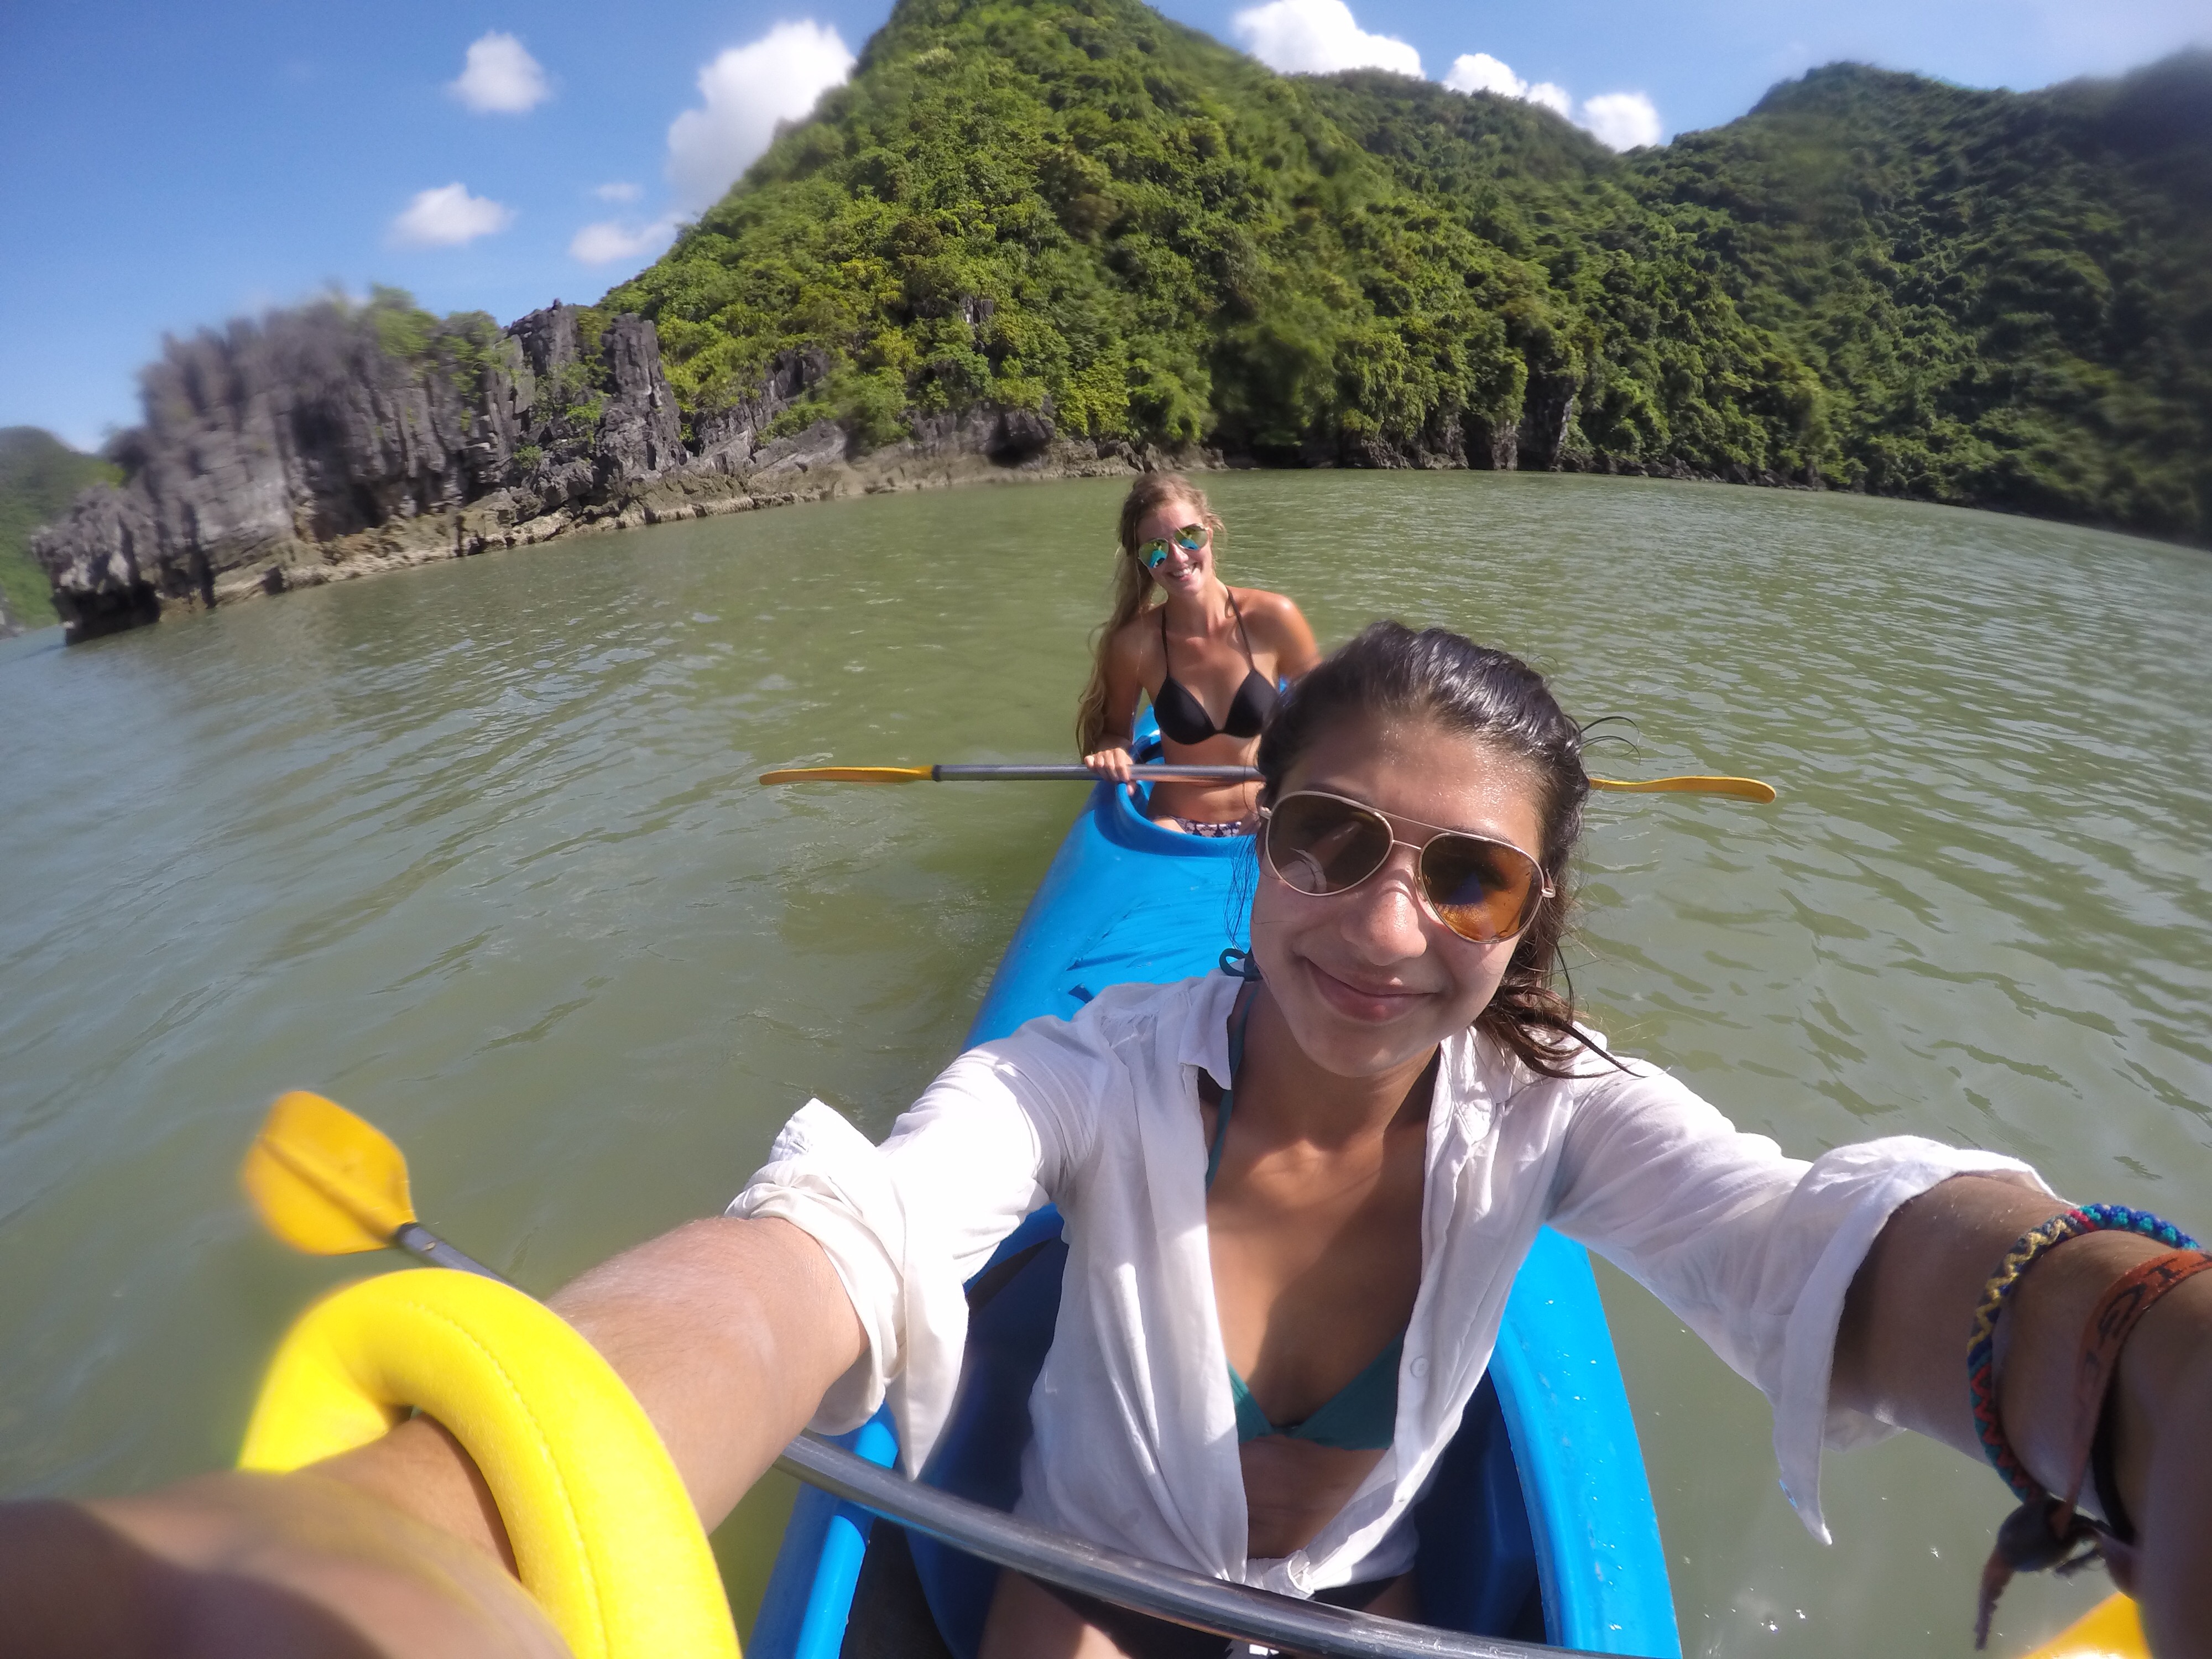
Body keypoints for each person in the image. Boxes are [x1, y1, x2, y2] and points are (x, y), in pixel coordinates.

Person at [8, 625, 2212, 1658]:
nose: (1381, 927)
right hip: (1084, 1614)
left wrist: (2127, 1356)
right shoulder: (1079, 1076)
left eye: (1463, 879)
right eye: (1329, 841)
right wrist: (447, 1497)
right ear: (1254, 838)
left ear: (1529, 918)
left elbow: (1814, 1248)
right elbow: (837, 1246)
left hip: (1361, 1618)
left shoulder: (1557, 1113)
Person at [1078, 473, 1320, 833]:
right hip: (1175, 823)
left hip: (1267, 815)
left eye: (1189, 536)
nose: (1177, 557)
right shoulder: (1134, 643)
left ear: (1210, 530)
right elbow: (1113, 734)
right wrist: (1112, 752)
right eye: (1156, 549)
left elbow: (1329, 716)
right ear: (1142, 560)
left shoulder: (1273, 618)